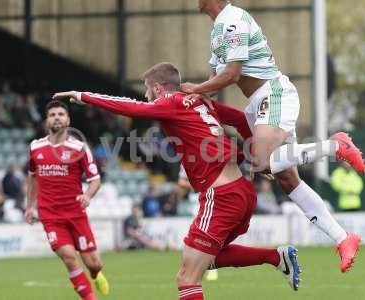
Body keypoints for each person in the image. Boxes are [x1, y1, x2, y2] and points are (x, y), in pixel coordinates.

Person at [53, 62, 302, 299]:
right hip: (241, 191)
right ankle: (276, 257)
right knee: (207, 259)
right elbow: (240, 120)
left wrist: (82, 95)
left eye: (148, 90)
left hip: (222, 195)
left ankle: (276, 257)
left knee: (187, 278)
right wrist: (259, 156)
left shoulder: (170, 102)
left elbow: (131, 107)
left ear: (158, 88)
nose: (147, 96)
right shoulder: (201, 103)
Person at [181, 0, 365, 273]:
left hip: (273, 93)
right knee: (286, 177)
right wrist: (194, 100)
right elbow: (216, 79)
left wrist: (195, 88)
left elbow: (231, 74)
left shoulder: (232, 20)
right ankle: (343, 238)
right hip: (258, 102)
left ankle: (336, 145)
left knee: (262, 161)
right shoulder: (217, 28)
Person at [25, 100, 109, 300]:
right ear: (47, 121)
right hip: (50, 215)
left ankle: (96, 275)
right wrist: (29, 207)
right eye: (52, 114)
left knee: (94, 263)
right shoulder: (36, 147)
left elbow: (95, 179)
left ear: (68, 120)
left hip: (75, 214)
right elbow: (32, 177)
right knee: (70, 258)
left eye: (61, 114)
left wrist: (87, 195)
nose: (56, 117)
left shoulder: (79, 147)